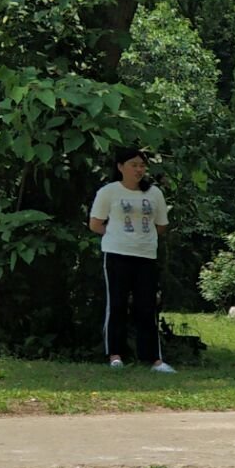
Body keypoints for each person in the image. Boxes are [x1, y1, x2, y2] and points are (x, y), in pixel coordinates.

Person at [88, 147, 175, 373]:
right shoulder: (109, 192)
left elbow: (161, 225)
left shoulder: (154, 193)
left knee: (146, 306)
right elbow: (95, 224)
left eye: (142, 165)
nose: (138, 170)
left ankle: (154, 359)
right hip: (117, 254)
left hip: (146, 255)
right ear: (120, 167)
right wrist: (117, 234)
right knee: (117, 304)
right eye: (133, 165)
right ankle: (115, 355)